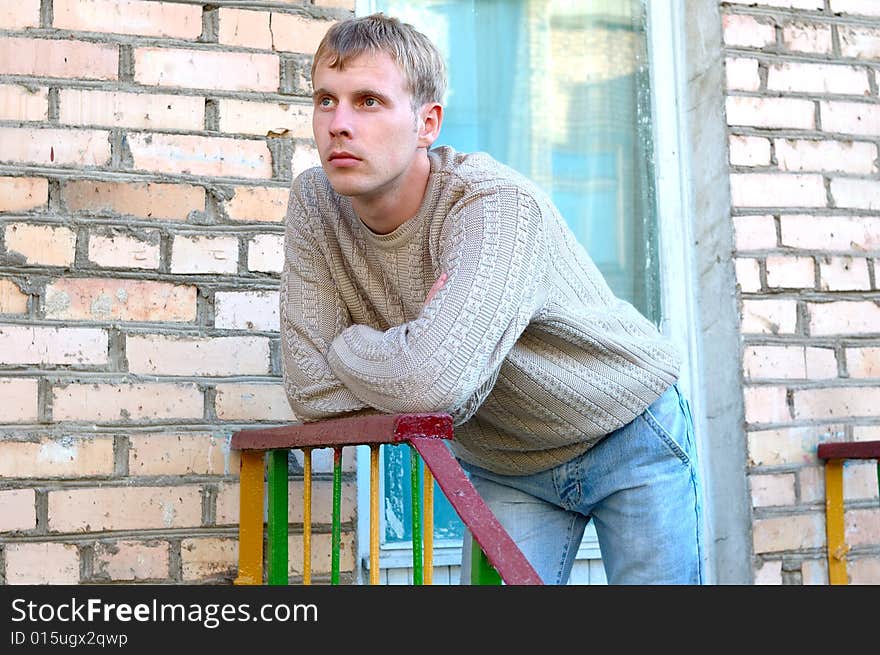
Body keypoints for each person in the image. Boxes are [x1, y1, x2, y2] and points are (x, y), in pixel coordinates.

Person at [280, 12, 703, 585]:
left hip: (624, 430)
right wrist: (418, 361)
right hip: (506, 463)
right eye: (325, 100)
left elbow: (433, 384)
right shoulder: (315, 203)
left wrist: (348, 344)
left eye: (369, 101)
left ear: (426, 122)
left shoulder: (493, 206)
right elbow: (309, 388)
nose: (338, 124)